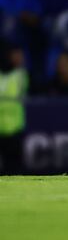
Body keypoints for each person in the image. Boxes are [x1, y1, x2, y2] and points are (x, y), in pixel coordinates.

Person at [0, 44, 28, 175]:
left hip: (15, 131)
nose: (19, 58)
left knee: (14, 172)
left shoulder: (21, 75)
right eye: (16, 54)